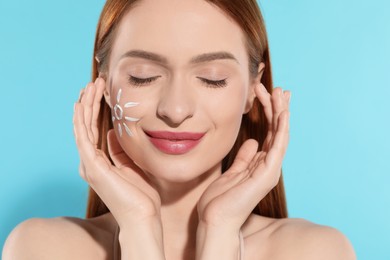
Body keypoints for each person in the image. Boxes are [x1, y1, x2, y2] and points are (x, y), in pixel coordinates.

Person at [2, 0, 356, 259]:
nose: (175, 109)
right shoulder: (42, 248)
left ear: (253, 88)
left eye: (212, 79)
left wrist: (219, 234)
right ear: (104, 85)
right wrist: (138, 229)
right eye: (143, 76)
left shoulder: (314, 251)